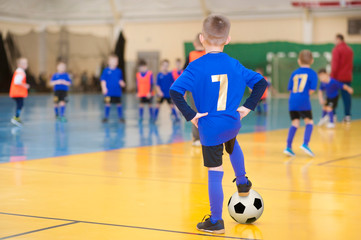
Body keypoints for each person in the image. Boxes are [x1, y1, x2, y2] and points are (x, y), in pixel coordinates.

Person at [170, 14, 267, 234]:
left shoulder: (195, 66)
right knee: (231, 143)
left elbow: (175, 91)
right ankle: (242, 182)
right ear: (228, 39)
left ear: (202, 38)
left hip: (210, 127)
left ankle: (216, 221)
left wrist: (190, 114)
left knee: (215, 170)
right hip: (232, 122)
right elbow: (261, 83)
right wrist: (248, 106)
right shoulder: (234, 64)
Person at [283, 50, 318, 157]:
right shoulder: (312, 73)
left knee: (295, 123)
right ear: (312, 60)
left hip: (292, 101)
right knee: (309, 122)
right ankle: (305, 144)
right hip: (303, 101)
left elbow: (290, 88)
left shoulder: (294, 73)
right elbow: (312, 90)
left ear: (299, 61)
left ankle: (288, 147)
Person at [184, 33, 206, 146]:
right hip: (207, 88)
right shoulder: (208, 54)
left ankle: (197, 138)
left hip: (194, 88)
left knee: (196, 113)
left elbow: (185, 74)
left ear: (194, 43)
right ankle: (208, 137)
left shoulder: (190, 55)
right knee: (208, 112)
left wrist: (183, 90)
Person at [331, 34, 354, 123]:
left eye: (335, 40)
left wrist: (332, 77)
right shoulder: (350, 50)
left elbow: (335, 65)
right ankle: (347, 116)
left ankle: (333, 116)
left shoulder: (336, 50)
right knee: (347, 97)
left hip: (337, 78)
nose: (334, 41)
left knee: (332, 96)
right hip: (347, 77)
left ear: (338, 39)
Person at [100, 54, 126, 123]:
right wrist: (104, 88)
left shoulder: (119, 71)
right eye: (113, 61)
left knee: (119, 104)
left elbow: (120, 79)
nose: (115, 62)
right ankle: (106, 117)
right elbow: (103, 80)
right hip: (108, 92)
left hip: (117, 92)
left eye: (116, 61)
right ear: (109, 62)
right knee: (107, 103)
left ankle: (120, 117)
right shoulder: (106, 71)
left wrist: (122, 83)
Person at [9, 57, 29, 127]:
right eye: (23, 63)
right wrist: (25, 85)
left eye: (26, 63)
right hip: (17, 93)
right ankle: (16, 118)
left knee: (20, 105)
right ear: (19, 65)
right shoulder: (20, 72)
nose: (26, 65)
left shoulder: (19, 71)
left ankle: (17, 118)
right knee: (20, 105)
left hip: (17, 93)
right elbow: (17, 81)